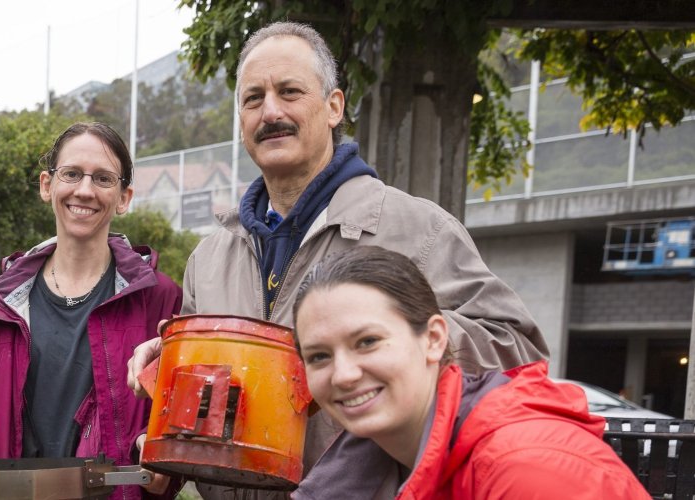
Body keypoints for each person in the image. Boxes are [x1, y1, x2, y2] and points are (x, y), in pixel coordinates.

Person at [123, 21, 549, 498]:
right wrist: (170, 376)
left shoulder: (417, 228)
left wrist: (382, 344)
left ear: (333, 107)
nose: (271, 112)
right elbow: (210, 404)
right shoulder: (210, 256)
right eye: (253, 98)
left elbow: (518, 348)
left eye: (290, 92)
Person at [0, 122, 182, 499]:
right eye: (71, 174)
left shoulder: (157, 298)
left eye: (103, 179)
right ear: (47, 185)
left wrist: (159, 454)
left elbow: (170, 418)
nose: (84, 190)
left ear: (124, 197)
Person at [291, 246, 642, 499]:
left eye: (367, 341)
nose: (343, 375)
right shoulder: (381, 460)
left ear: (433, 339)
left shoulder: (526, 469)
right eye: (319, 356)